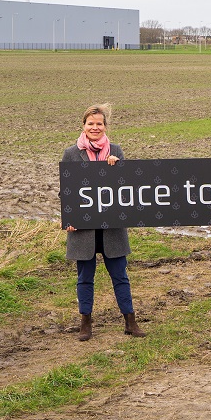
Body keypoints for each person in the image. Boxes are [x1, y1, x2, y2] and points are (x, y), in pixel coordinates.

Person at [62, 103, 145, 341]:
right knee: (84, 277)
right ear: (83, 126)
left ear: (105, 126)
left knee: (120, 275)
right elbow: (66, 191)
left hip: (112, 229)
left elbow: (126, 190)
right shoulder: (70, 153)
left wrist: (116, 169)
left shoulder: (116, 151)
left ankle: (130, 321)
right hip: (83, 230)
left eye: (99, 124)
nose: (95, 127)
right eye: (91, 124)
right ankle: (85, 323)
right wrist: (69, 218)